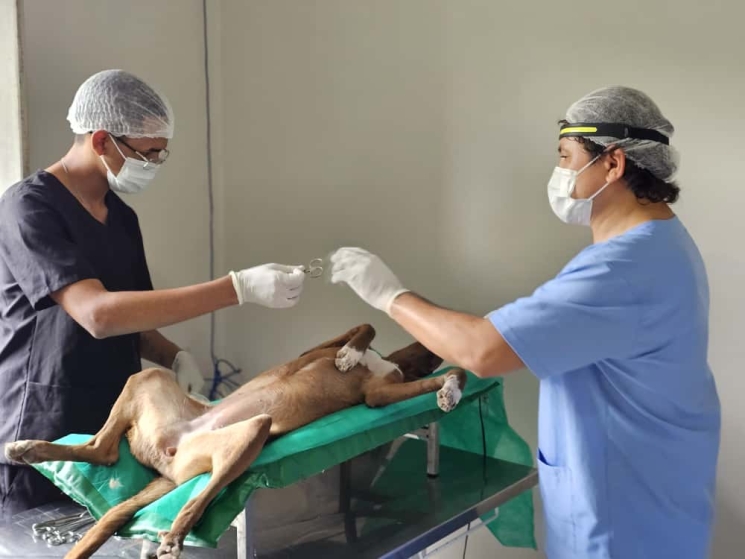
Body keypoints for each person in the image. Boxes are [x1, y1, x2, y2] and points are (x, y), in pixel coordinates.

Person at [329, 86, 721, 559]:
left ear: (613, 163)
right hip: (656, 499)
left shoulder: (622, 269)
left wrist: (386, 294)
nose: (560, 172)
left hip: (623, 523)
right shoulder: (664, 242)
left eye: (566, 156)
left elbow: (482, 350)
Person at [0, 69, 305, 519]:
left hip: (117, 430)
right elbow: (98, 315)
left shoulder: (121, 218)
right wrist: (236, 288)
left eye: (162, 153)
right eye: (147, 153)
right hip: (45, 430)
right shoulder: (29, 207)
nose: (155, 164)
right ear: (101, 141)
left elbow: (133, 320)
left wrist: (174, 357)